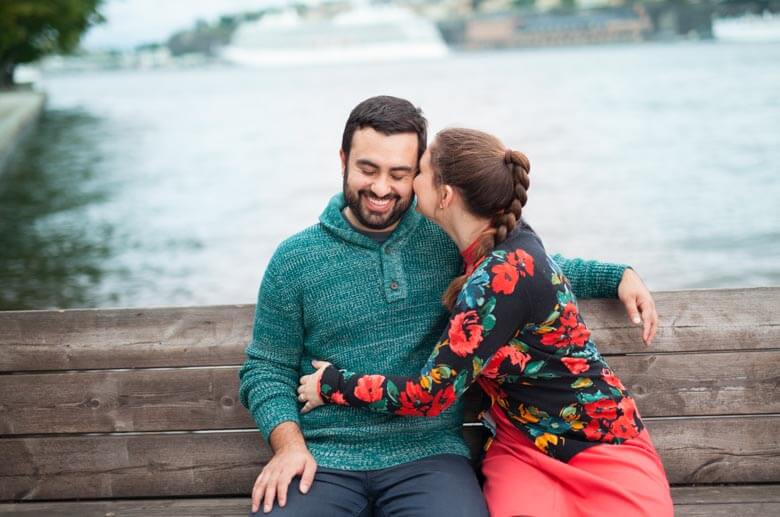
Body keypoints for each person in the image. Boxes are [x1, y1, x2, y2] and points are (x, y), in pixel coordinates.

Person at [239, 96, 659, 516]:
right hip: (325, 459)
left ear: (430, 181)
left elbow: (529, 272)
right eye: (368, 169)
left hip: (430, 454)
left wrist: (615, 275)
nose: (382, 188)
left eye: (402, 173)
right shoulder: (295, 259)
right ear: (343, 159)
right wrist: (288, 445)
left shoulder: (446, 237)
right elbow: (266, 367)